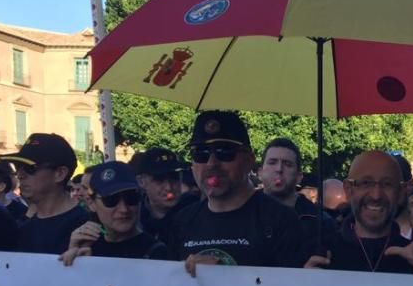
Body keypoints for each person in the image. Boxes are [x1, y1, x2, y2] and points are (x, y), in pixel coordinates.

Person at [167, 111, 308, 275]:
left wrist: (227, 277)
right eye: (201, 153)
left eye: (225, 152)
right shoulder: (181, 222)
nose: (212, 163)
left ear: (249, 161)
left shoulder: (281, 222)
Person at [306, 151, 413, 274]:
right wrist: (305, 285)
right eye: (365, 183)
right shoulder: (320, 253)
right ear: (348, 189)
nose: (376, 195)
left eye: (387, 184)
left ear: (401, 192)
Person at [61, 161, 167, 265]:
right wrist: (76, 264)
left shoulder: (157, 253)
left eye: (131, 197)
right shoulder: (88, 248)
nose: (124, 209)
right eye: (111, 200)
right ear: (91, 203)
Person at [0, 133, 88, 254]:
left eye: (30, 168)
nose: (20, 175)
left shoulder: (86, 227)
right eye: (18, 167)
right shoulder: (22, 229)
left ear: (60, 174)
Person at [258, 137, 333, 241]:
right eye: (272, 162)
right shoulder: (242, 214)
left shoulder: (320, 222)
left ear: (299, 177)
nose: (279, 169)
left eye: (287, 164)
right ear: (260, 172)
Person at [136, 147, 195, 243]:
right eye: (159, 179)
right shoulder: (133, 217)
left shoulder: (195, 213)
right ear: (141, 182)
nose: (169, 187)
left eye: (174, 177)